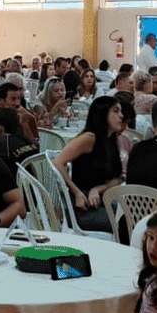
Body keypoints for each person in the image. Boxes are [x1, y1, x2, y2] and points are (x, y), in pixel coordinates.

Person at [52, 96, 125, 234]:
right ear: (103, 113)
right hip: (81, 208)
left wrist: (97, 189)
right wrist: (77, 192)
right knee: (126, 225)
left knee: (136, 219)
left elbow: (116, 179)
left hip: (102, 203)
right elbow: (58, 162)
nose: (121, 116)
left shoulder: (110, 141)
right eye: (116, 111)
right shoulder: (89, 138)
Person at [0, 107, 39, 176]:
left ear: (0, 128)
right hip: (34, 183)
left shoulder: (0, 147)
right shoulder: (25, 140)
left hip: (13, 184)